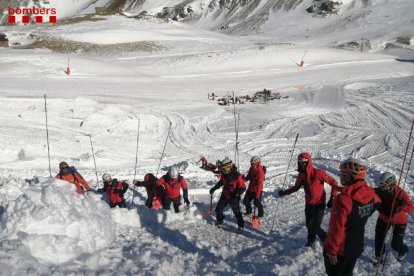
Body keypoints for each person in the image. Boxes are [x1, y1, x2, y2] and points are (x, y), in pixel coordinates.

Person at [323, 157, 381, 276]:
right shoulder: (371, 194)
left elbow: (337, 230)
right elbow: (376, 202)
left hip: (340, 250)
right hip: (356, 247)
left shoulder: (342, 200)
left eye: (344, 175)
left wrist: (331, 250)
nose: (341, 178)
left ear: (352, 176)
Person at [278, 152, 339, 247]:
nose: (302, 164)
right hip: (309, 204)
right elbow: (296, 187)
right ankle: (311, 240)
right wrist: (285, 192)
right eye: (300, 162)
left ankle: (324, 238)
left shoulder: (318, 173)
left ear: (308, 162)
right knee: (309, 225)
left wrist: (333, 197)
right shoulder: (301, 175)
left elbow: (334, 183)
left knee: (315, 226)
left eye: (304, 162)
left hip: (320, 204)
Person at [371, 172, 414, 264]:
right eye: (380, 185)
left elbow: (411, 209)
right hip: (383, 218)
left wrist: (402, 206)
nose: (381, 188)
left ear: (391, 184)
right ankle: (378, 257)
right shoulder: (379, 191)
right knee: (379, 239)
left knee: (395, 245)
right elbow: (368, 193)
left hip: (399, 221)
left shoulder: (401, 193)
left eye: (383, 185)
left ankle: (403, 250)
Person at [209, 158, 246, 231]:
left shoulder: (237, 175)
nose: (222, 170)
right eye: (222, 168)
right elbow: (221, 182)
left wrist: (236, 194)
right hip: (225, 195)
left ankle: (241, 225)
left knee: (236, 211)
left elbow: (243, 187)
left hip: (234, 196)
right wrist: (214, 188)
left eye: (223, 168)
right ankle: (219, 220)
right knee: (218, 210)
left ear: (228, 166)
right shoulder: (224, 174)